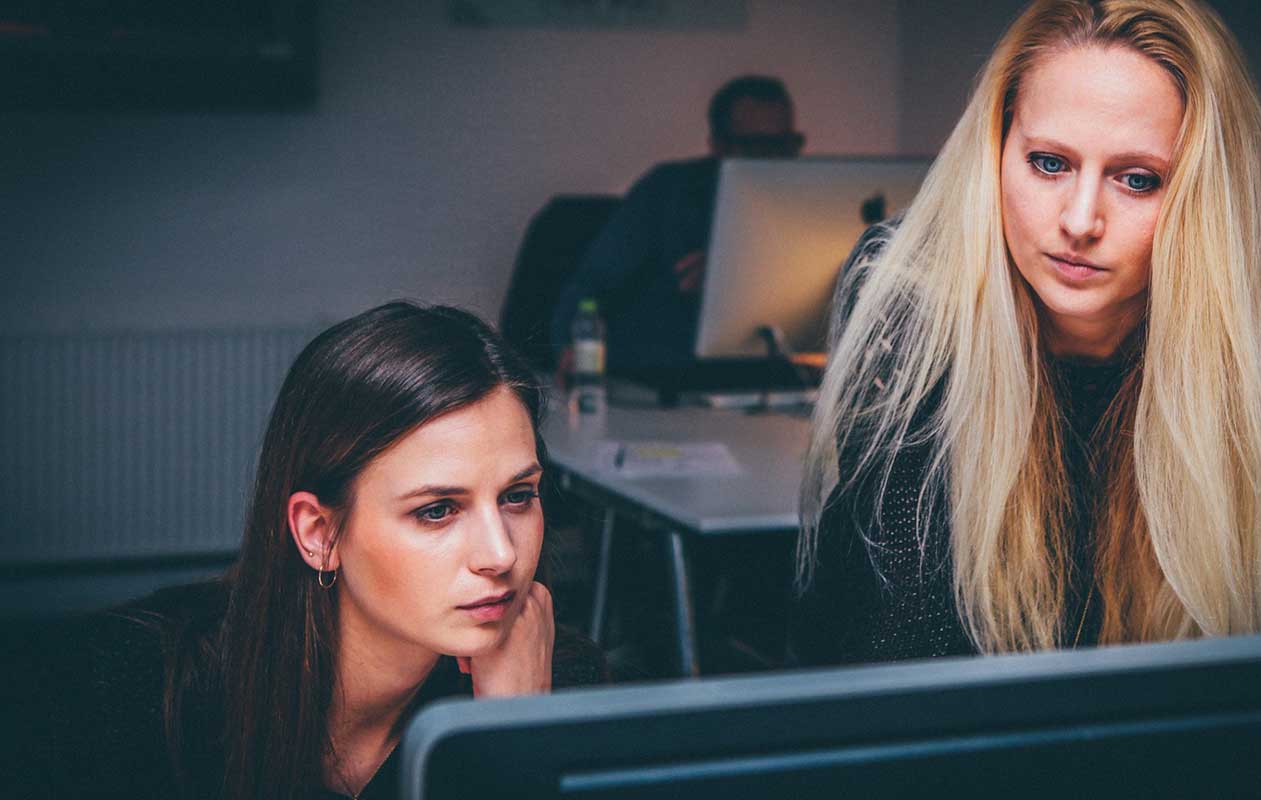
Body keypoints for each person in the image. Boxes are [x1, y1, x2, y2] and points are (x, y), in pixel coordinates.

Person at [794, 0, 1261, 665]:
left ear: (1205, 195)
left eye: (1138, 180)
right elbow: (904, 643)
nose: (1079, 221)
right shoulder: (911, 296)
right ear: (996, 152)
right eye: (1049, 163)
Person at [23, 303, 605, 799]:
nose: (500, 555)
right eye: (436, 510)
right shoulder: (131, 691)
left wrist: (510, 736)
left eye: (517, 496)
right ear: (319, 534)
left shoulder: (548, 686)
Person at [550, 74, 805, 375]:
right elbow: (592, 283)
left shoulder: (806, 206)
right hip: (665, 373)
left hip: (775, 375)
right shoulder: (669, 191)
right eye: (756, 147)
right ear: (718, 146)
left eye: (785, 145)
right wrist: (574, 349)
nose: (773, 159)